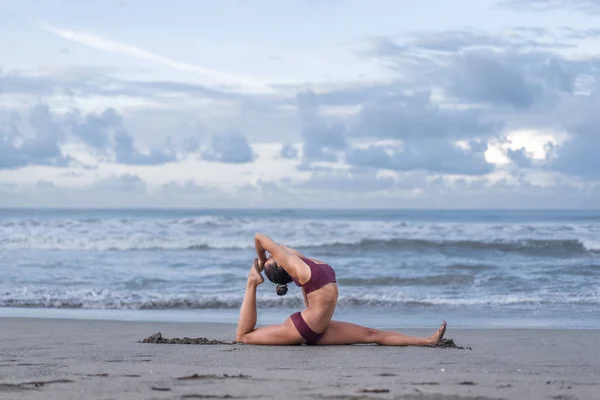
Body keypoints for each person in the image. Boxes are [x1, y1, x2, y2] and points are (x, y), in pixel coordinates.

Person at [235, 233, 447, 346]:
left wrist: (269, 263)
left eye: (272, 256)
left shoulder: (300, 263)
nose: (276, 253)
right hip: (303, 328)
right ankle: (251, 284)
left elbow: (310, 296)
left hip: (320, 328)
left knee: (372, 334)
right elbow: (259, 237)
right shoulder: (295, 266)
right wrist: (262, 264)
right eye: (275, 257)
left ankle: (427, 341)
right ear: (282, 265)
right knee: (243, 337)